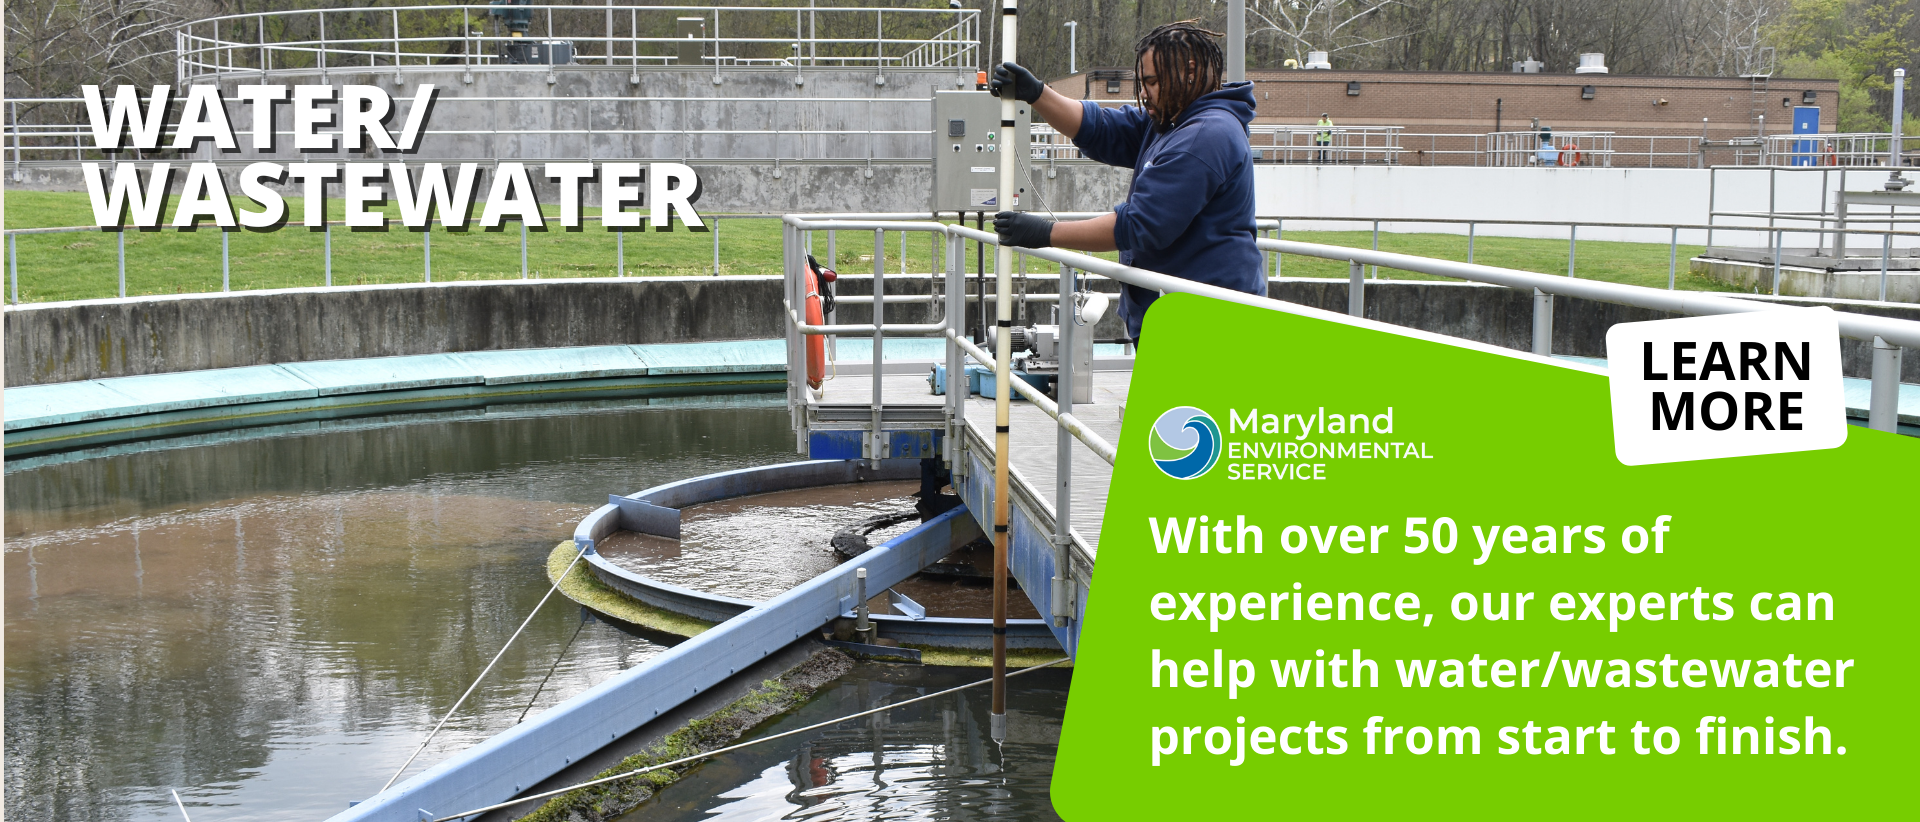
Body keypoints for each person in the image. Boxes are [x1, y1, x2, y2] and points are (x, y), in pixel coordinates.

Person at [989, 22, 1263, 346]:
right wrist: (1037, 93)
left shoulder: (1205, 135)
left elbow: (1139, 225)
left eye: (1152, 82)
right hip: (1178, 318)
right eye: (1142, 82)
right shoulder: (1171, 122)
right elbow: (1103, 128)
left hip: (1211, 326)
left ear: (1190, 72)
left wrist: (1045, 233)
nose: (1144, 93)